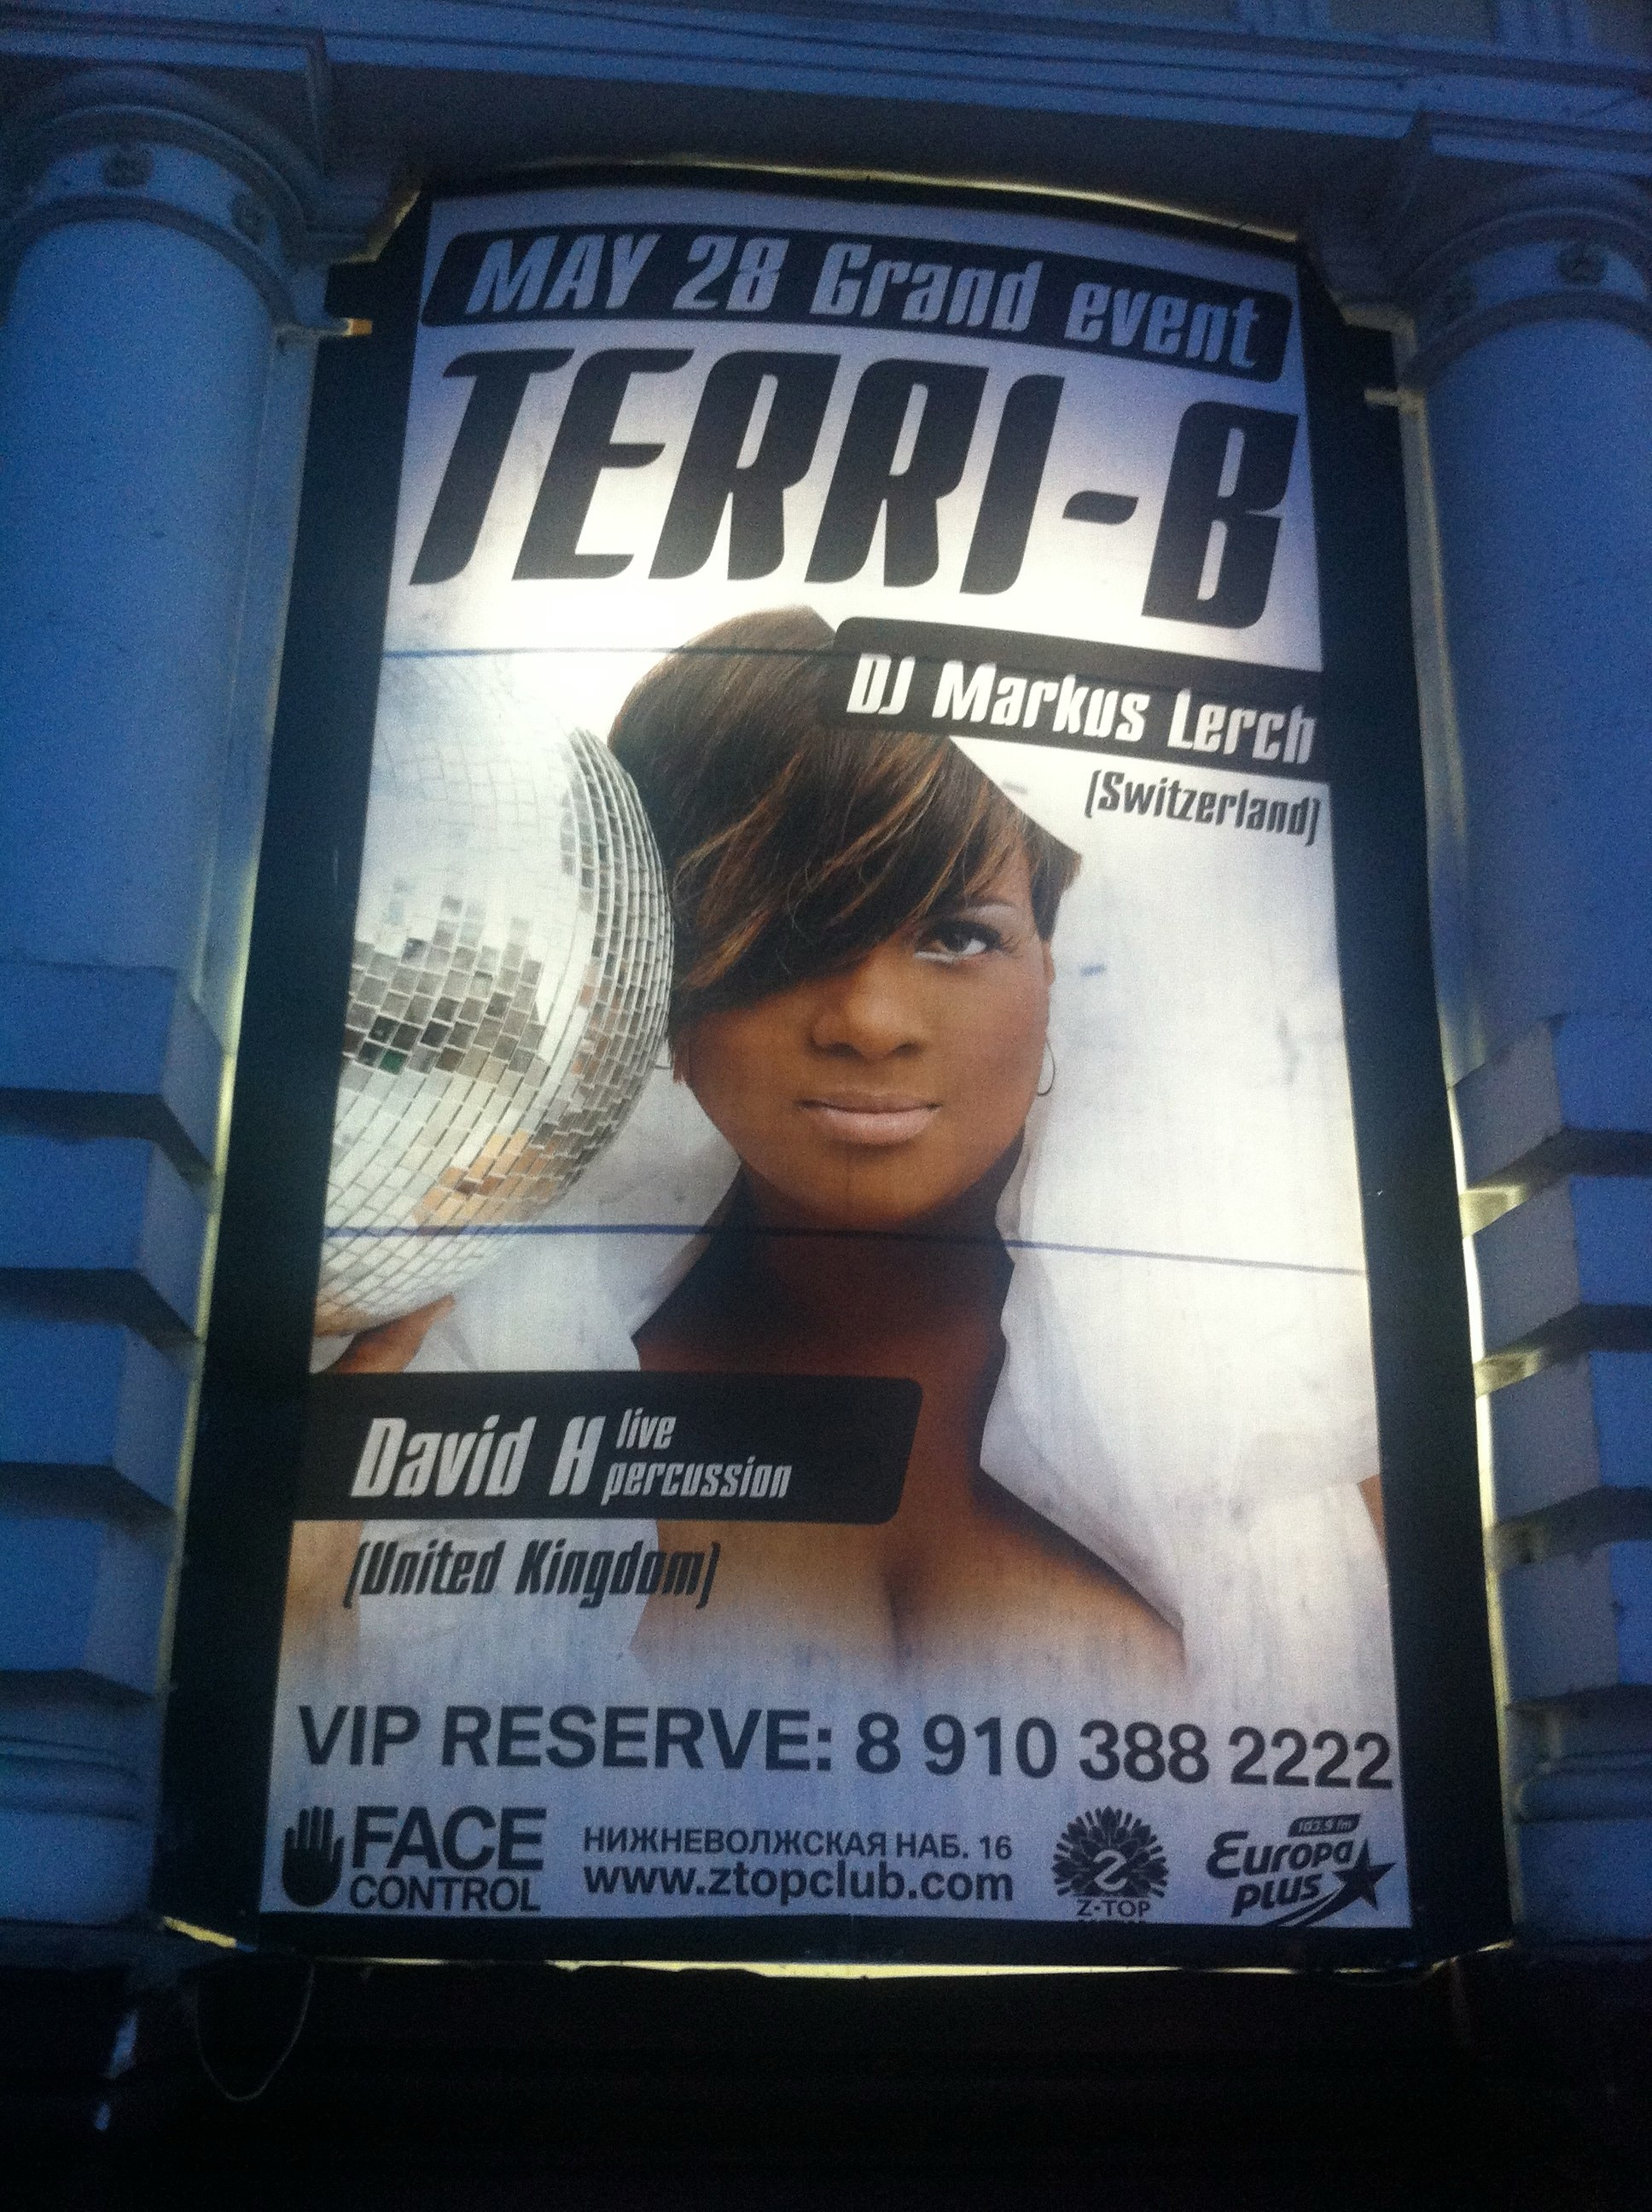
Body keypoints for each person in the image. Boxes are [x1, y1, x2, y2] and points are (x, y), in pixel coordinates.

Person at [339, 607, 1184, 1684]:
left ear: (1049, 966)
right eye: (787, 935)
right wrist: (307, 1621)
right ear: (658, 978)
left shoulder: (1278, 1410)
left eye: (957, 935)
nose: (869, 1022)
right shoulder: (471, 1379)